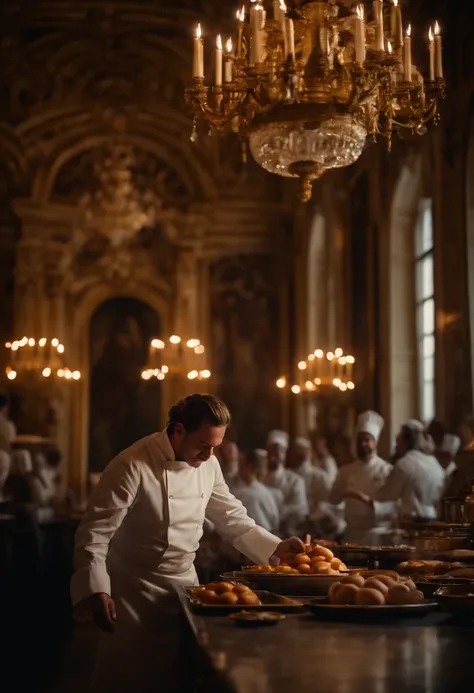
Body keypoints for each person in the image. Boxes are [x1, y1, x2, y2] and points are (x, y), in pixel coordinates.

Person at [71, 395, 304, 693]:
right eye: (203, 445)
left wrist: (275, 547)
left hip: (185, 587)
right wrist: (96, 587)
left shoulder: (209, 464)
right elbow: (94, 533)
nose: (208, 456)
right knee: (129, 678)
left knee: (183, 678)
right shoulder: (131, 465)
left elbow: (231, 516)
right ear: (178, 431)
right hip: (133, 590)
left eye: (215, 447)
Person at [351, 420, 446, 522]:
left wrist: (366, 494)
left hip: (413, 521)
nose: (396, 446)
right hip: (433, 519)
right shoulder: (435, 463)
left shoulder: (405, 464)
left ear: (405, 441)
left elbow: (385, 496)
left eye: (398, 442)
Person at [329, 411, 392, 545]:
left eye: (367, 440)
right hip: (351, 535)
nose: (363, 444)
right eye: (360, 440)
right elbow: (333, 500)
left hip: (377, 537)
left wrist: (367, 501)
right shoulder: (345, 471)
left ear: (376, 442)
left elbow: (394, 507)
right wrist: (341, 493)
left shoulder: (386, 470)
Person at [264, 430, 308, 535]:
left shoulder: (295, 480)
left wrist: (279, 512)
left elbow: (301, 509)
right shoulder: (259, 477)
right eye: (272, 451)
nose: (275, 455)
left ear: (285, 454)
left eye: (280, 451)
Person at [233, 449, 280, 533]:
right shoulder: (267, 493)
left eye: (241, 464)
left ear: (249, 466)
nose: (238, 468)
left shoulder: (243, 495)